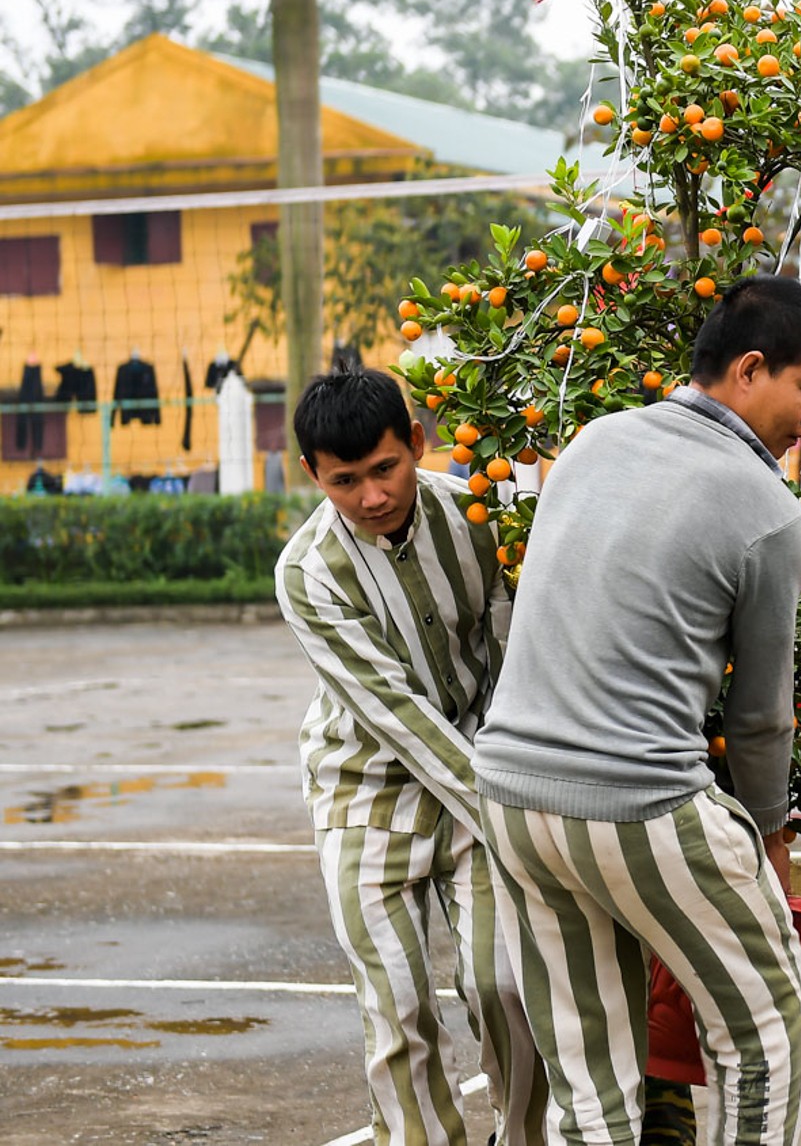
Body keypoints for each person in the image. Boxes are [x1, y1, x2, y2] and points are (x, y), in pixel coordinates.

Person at [474, 275, 801, 1146]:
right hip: (638, 804)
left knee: (587, 1066)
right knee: (767, 1028)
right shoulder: (769, 509)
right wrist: (769, 835)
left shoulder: (594, 440)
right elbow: (760, 715)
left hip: (512, 799)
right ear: (750, 370)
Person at [275, 368, 548, 1145]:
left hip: (483, 768)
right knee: (394, 1001)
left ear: (418, 444)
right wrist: (505, 809)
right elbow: (394, 714)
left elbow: (512, 664)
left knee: (505, 981)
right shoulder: (306, 572)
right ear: (313, 476)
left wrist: (521, 788)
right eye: (344, 480)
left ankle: (522, 1135)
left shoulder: (480, 517)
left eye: (385, 469)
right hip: (365, 788)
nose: (370, 497)